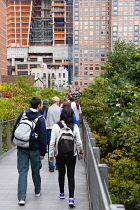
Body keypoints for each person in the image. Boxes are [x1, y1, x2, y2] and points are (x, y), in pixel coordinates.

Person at [11, 97, 47, 205]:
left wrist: (14, 140)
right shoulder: (40, 118)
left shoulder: (23, 114)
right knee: (35, 170)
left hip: (21, 147)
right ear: (39, 106)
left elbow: (15, 127)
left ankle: (21, 198)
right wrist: (43, 152)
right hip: (34, 149)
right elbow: (43, 136)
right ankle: (37, 191)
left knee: (22, 172)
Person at [49, 107, 84, 207]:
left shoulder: (56, 126)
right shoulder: (75, 126)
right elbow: (78, 142)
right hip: (71, 154)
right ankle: (71, 198)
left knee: (61, 172)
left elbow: (52, 142)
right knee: (71, 175)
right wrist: (81, 152)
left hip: (59, 154)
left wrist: (51, 155)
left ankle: (61, 193)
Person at [46, 96, 61, 172]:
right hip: (58, 129)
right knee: (58, 146)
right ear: (57, 102)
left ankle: (51, 165)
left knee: (50, 146)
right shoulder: (60, 109)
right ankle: (58, 164)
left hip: (49, 128)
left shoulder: (48, 109)